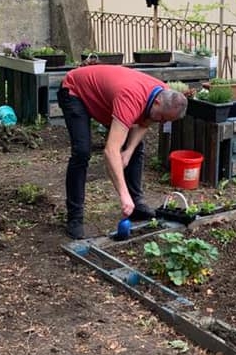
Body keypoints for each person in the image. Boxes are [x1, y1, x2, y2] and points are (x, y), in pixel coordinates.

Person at [57, 65, 187, 239]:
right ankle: (75, 217)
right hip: (75, 91)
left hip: (105, 98)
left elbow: (145, 122)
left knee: (136, 146)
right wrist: (123, 195)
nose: (162, 123)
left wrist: (128, 151)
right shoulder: (131, 99)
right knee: (81, 152)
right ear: (157, 102)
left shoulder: (160, 93)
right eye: (162, 118)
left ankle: (137, 204)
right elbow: (111, 151)